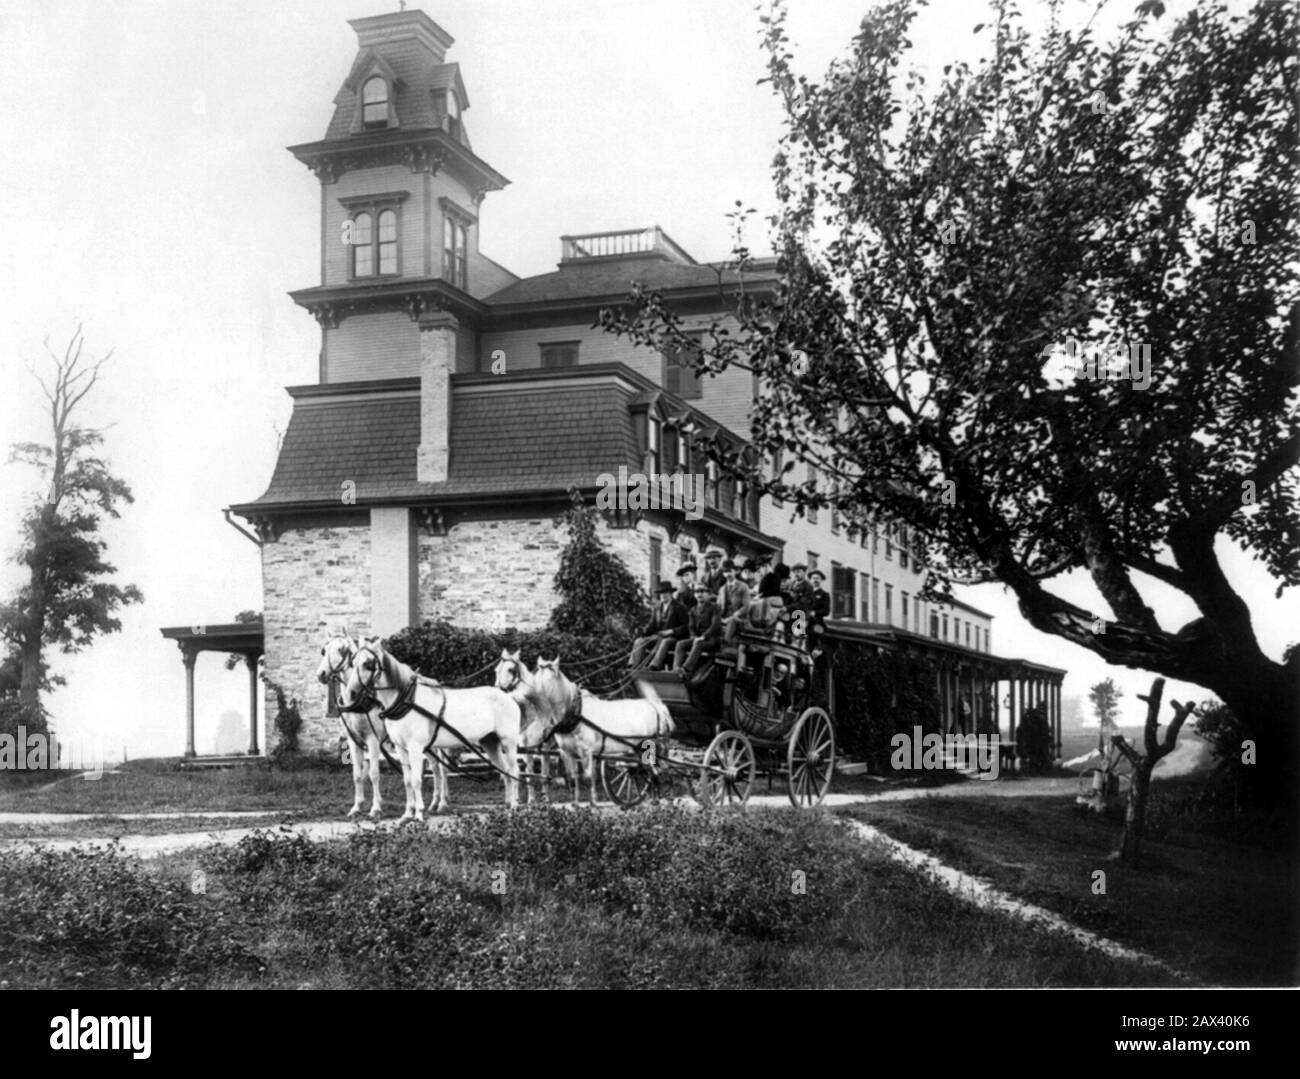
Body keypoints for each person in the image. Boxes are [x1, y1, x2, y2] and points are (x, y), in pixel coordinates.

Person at [630, 581, 690, 669]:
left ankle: (654, 666)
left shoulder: (679, 607)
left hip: (673, 638)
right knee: (639, 641)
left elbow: (685, 627)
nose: (663, 595)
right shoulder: (657, 608)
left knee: (665, 641)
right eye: (661, 593)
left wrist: (671, 631)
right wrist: (643, 631)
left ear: (671, 593)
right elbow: (652, 625)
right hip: (658, 636)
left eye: (665, 593)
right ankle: (634, 666)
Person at [674, 583, 722, 674]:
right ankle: (676, 669)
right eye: (697, 593)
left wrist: (703, 637)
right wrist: (693, 636)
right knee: (680, 643)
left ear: (708, 594)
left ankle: (686, 670)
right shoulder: (693, 610)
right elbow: (691, 626)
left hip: (711, 639)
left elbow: (715, 625)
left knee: (698, 644)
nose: (699, 595)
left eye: (703, 592)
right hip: (697, 638)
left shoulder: (715, 607)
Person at [718, 559, 751, 644]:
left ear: (735, 572)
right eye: (725, 572)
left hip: (739, 619)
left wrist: (734, 615)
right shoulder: (722, 589)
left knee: (732, 621)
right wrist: (720, 617)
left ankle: (725, 644)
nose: (728, 574)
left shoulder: (743, 586)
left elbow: (746, 606)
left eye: (730, 571)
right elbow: (718, 607)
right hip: (725, 618)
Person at [806, 569, 830, 656]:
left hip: (816, 622)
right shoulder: (806, 593)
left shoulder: (824, 594)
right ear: (810, 580)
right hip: (802, 620)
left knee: (813, 640)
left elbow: (826, 611)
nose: (815, 580)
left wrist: (815, 613)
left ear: (821, 580)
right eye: (813, 578)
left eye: (818, 578)